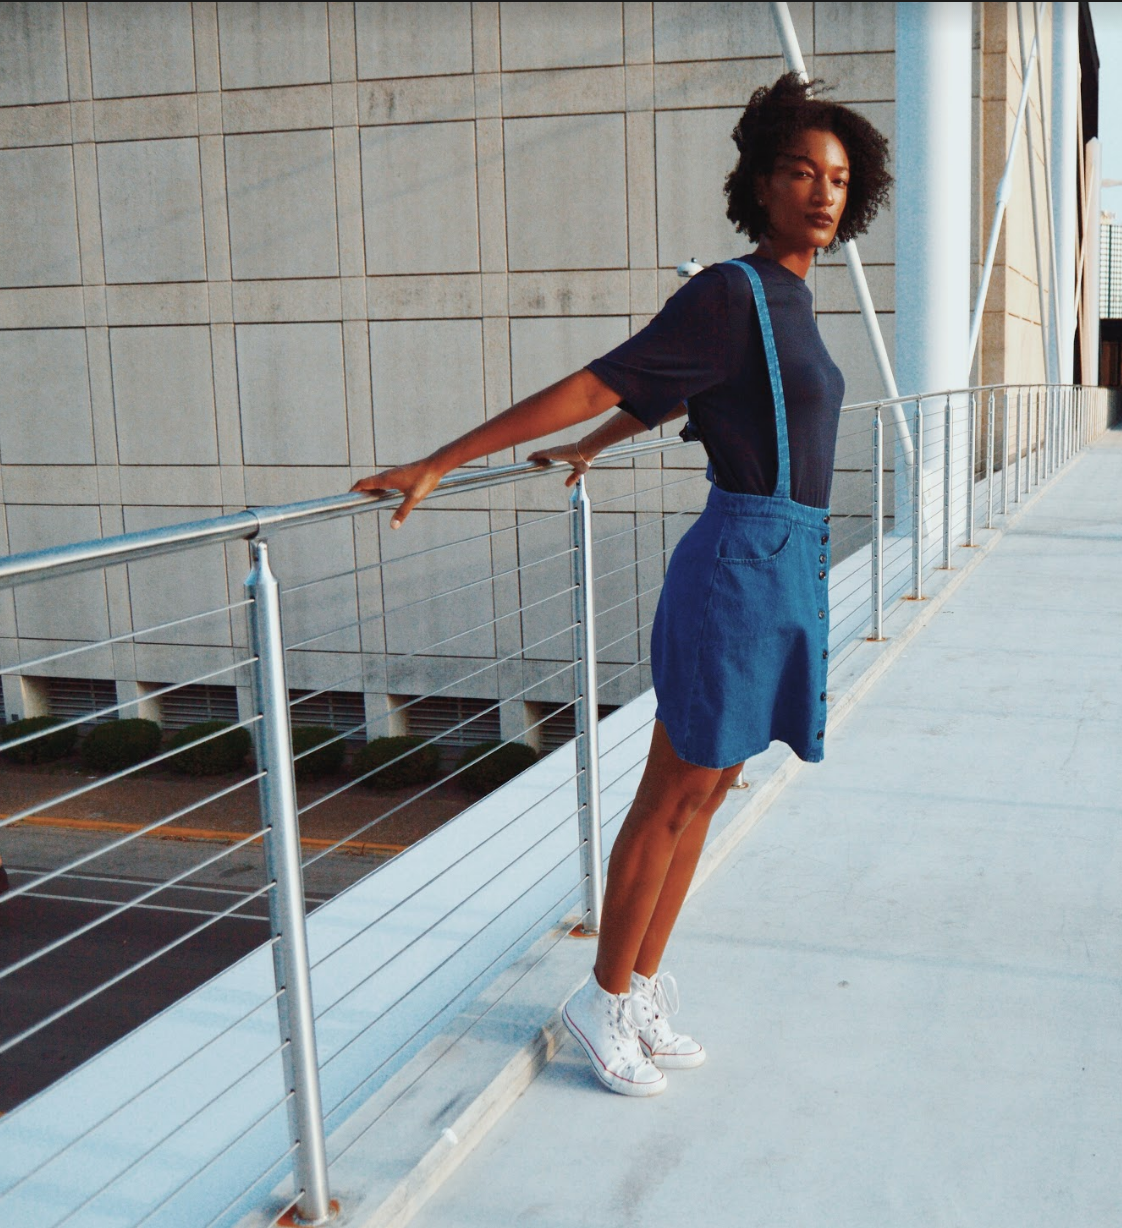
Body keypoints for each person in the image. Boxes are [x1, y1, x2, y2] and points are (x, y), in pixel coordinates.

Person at [350, 75, 891, 1097]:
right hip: (736, 562)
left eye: (838, 180)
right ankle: (598, 996)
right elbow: (610, 374)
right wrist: (442, 459)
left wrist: (596, 449)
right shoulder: (729, 291)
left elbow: (672, 393)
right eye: (800, 174)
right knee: (672, 790)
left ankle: (637, 982)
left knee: (716, 783)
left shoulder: (789, 296)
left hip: (785, 563)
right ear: (761, 182)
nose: (821, 194)